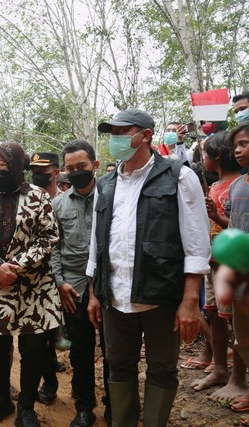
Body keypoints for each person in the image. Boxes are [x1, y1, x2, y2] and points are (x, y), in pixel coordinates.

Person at [86, 108, 211, 426]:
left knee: (162, 367)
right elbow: (97, 243)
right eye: (112, 133)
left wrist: (189, 301)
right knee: (119, 364)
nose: (115, 140)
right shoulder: (106, 184)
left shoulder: (180, 176)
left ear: (145, 136)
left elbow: (196, 244)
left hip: (161, 294)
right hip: (115, 295)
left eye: (122, 132)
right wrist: (94, 292)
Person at [0, 142, 62, 427]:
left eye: (2, 166)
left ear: (18, 167)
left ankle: (26, 407)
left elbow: (49, 237)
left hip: (33, 288)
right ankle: (1, 400)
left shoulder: (38, 197)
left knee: (32, 349)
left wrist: (18, 266)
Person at [51, 140, 110, 427]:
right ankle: (84, 406)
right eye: (70, 168)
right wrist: (60, 283)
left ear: (95, 166)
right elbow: (53, 248)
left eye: (82, 167)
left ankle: (115, 404)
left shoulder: (112, 197)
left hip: (110, 286)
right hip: (73, 288)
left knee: (113, 350)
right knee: (81, 350)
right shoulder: (58, 204)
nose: (76, 172)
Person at [189, 132, 241, 393]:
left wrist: (218, 217)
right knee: (214, 314)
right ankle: (220, 369)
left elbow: (236, 226)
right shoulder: (214, 185)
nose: (202, 159)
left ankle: (238, 377)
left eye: (206, 153)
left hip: (230, 264)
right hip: (212, 261)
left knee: (237, 320)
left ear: (217, 156)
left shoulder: (239, 185)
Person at [208, 121, 249, 415]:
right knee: (244, 337)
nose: (238, 149)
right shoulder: (237, 186)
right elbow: (233, 228)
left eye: (244, 143)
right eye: (236, 144)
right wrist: (218, 219)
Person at [28, 151, 64, 404]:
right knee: (40, 337)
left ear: (56, 172)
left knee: (60, 335)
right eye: (35, 170)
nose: (39, 175)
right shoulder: (27, 200)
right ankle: (49, 381)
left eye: (44, 170)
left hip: (63, 278)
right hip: (36, 279)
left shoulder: (65, 201)